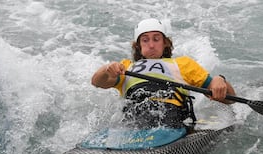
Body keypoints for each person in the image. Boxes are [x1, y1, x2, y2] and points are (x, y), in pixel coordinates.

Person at [91, 18, 236, 128]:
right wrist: (106, 68)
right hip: (134, 119)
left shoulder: (183, 64)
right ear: (138, 46)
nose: (151, 45)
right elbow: (97, 82)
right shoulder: (126, 67)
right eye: (145, 40)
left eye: (156, 39)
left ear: (165, 42)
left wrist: (219, 80)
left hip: (171, 119)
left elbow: (229, 99)